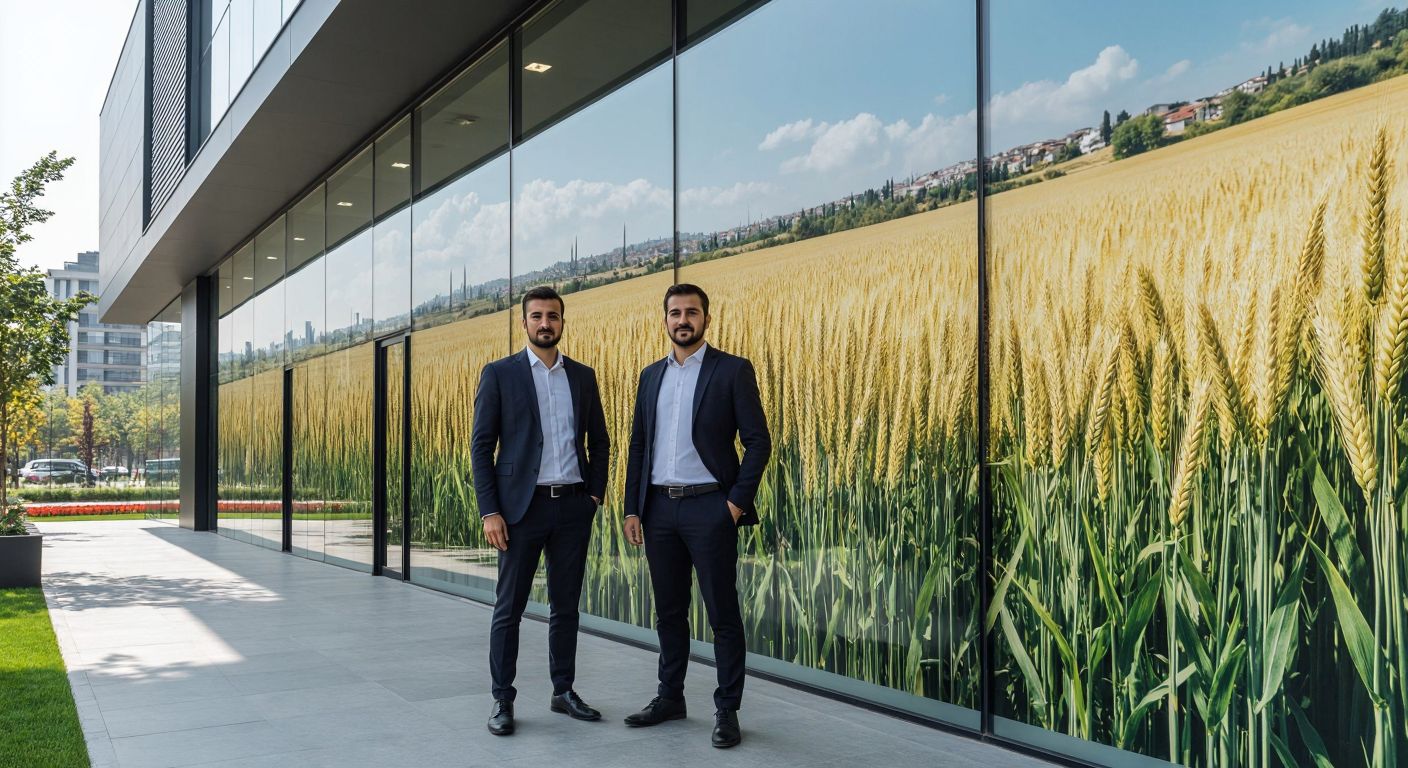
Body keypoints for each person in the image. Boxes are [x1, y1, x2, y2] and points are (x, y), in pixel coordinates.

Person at [621, 283, 771, 748]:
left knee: (721, 613)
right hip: (659, 508)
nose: (682, 320)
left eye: (691, 312)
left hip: (710, 507)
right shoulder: (650, 376)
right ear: (665, 319)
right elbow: (639, 445)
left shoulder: (732, 370)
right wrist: (632, 507)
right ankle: (670, 697)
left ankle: (727, 709)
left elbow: (758, 442)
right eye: (675, 312)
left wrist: (734, 504)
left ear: (707, 318)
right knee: (669, 612)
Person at [470, 285, 610, 736]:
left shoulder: (583, 376)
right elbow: (481, 447)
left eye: (553, 316)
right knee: (508, 608)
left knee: (566, 607)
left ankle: (563, 691)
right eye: (537, 316)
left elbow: (600, 441)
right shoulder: (500, 374)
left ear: (563, 322)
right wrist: (490, 511)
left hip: (572, 506)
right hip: (519, 511)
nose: (545, 323)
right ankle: (502, 699)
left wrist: (594, 496)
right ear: (524, 323)